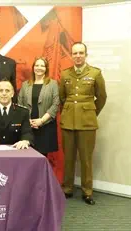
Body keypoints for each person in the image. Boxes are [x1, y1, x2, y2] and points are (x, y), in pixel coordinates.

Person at [60, 42, 107, 205]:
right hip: (68, 122)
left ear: (86, 55)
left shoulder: (95, 73)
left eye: (81, 53)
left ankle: (87, 191)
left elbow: (102, 97)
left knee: (86, 159)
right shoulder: (65, 74)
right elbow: (62, 98)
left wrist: (91, 113)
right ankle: (67, 188)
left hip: (87, 123)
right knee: (69, 158)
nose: (78, 56)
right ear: (71, 55)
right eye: (75, 53)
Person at [18, 57, 59, 156]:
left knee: (42, 158)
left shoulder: (53, 84)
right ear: (33, 68)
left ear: (46, 68)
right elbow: (20, 104)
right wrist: (27, 121)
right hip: (28, 127)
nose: (39, 68)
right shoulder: (25, 85)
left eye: (42, 65)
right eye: (37, 65)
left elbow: (55, 104)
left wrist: (41, 121)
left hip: (46, 127)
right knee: (27, 157)